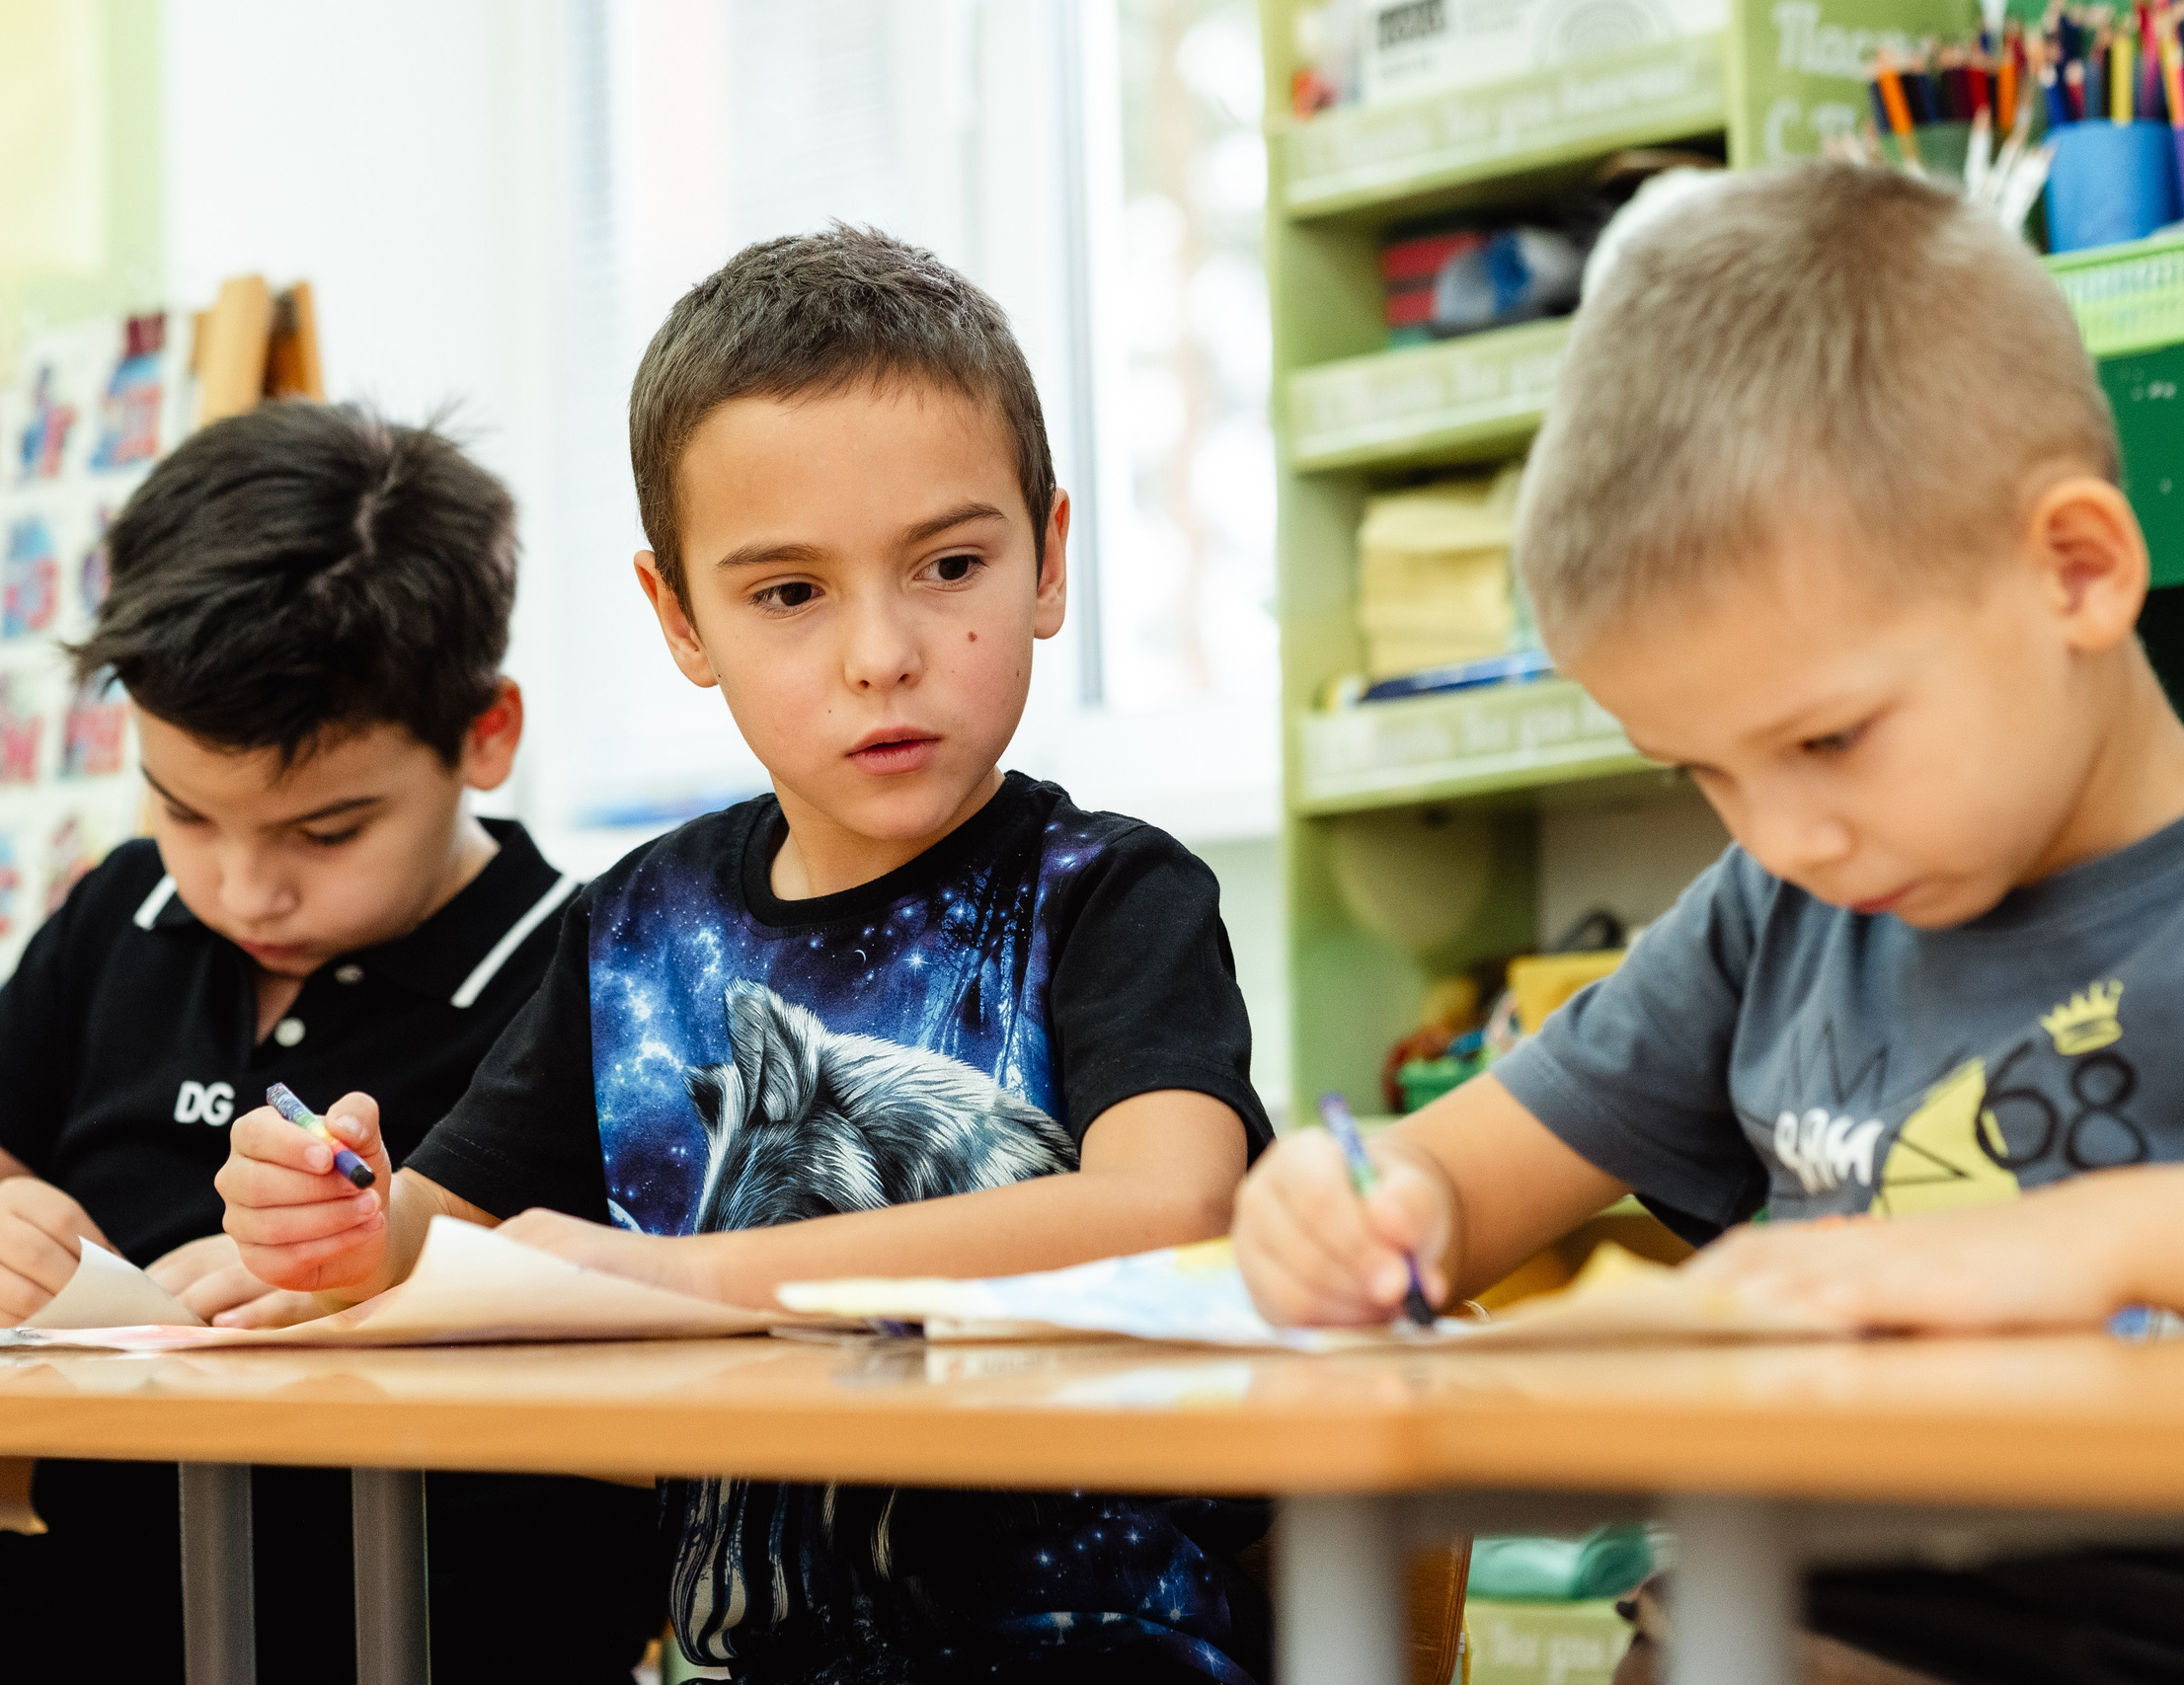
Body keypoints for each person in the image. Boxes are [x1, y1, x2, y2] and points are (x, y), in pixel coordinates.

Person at [216, 227, 1277, 1682]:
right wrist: (339, 1226)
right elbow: (438, 1246)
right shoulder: (636, 928)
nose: (881, 654)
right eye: (790, 593)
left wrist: (681, 1280)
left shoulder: (1110, 894)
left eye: (951, 564)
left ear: (1050, 560)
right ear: (680, 619)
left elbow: (1163, 1207)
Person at [1232, 162, 2184, 1685]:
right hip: (1744, 1629)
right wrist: (1357, 1202)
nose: (1781, 836)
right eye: (1705, 773)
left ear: (2076, 569)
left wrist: (2095, 1243)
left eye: (1827, 742)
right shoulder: (1781, 913)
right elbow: (1455, 1181)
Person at [0, 403, 661, 1685]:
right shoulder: (124, 916)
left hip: (454, 1627)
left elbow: (670, 1346)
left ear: (486, 734)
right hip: (105, 1599)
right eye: (185, 812)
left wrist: (367, 1286)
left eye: (326, 834)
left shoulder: (592, 966)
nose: (245, 889)